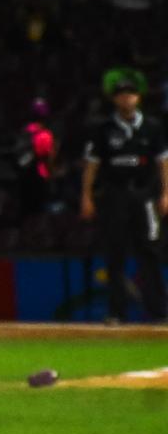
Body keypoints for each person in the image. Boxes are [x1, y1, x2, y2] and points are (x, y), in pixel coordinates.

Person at [80, 68, 168, 323]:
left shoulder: (152, 128)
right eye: (121, 94)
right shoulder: (104, 129)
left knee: (149, 252)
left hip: (144, 195)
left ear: (138, 97)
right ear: (114, 99)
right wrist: (86, 196)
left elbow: (163, 162)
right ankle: (116, 313)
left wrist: (165, 192)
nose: (126, 98)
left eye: (130, 94)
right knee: (114, 253)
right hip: (114, 196)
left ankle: (159, 312)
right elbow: (92, 164)